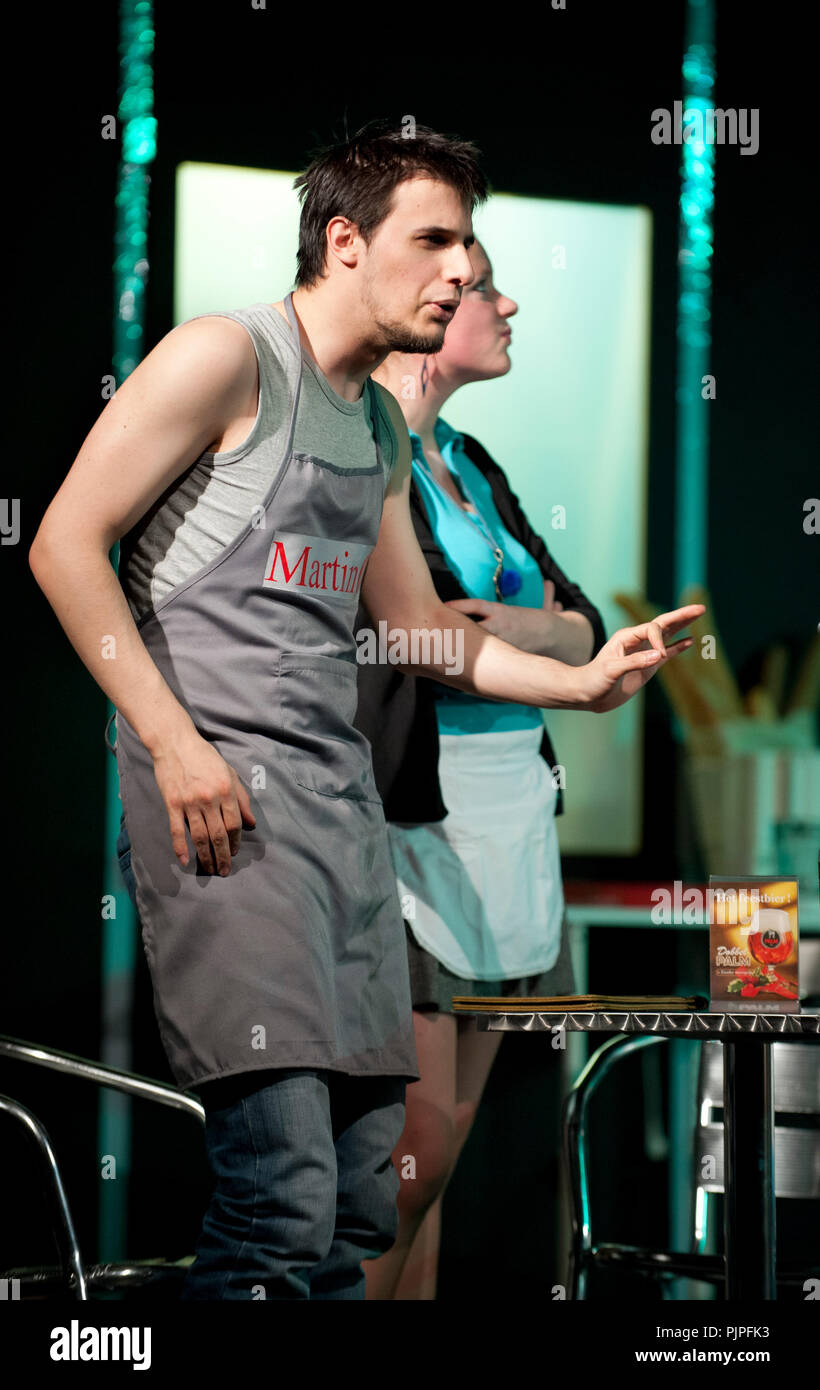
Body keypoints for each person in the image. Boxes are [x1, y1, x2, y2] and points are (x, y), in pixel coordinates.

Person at [28, 119, 702, 1300]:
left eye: (471, 243)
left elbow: (422, 632)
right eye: (436, 239)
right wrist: (175, 742)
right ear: (343, 241)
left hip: (341, 828)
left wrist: (580, 681)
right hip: (223, 816)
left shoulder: (378, 425)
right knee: (279, 1191)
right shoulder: (225, 356)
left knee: (355, 1197)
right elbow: (63, 546)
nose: (463, 269)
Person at [355, 238, 604, 1299]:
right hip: (412, 821)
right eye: (479, 287)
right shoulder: (362, 450)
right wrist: (541, 640)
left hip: (510, 819)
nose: (501, 304)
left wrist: (514, 628)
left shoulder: (469, 458)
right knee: (406, 1159)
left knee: (443, 1159)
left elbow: (585, 624)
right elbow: (418, 643)